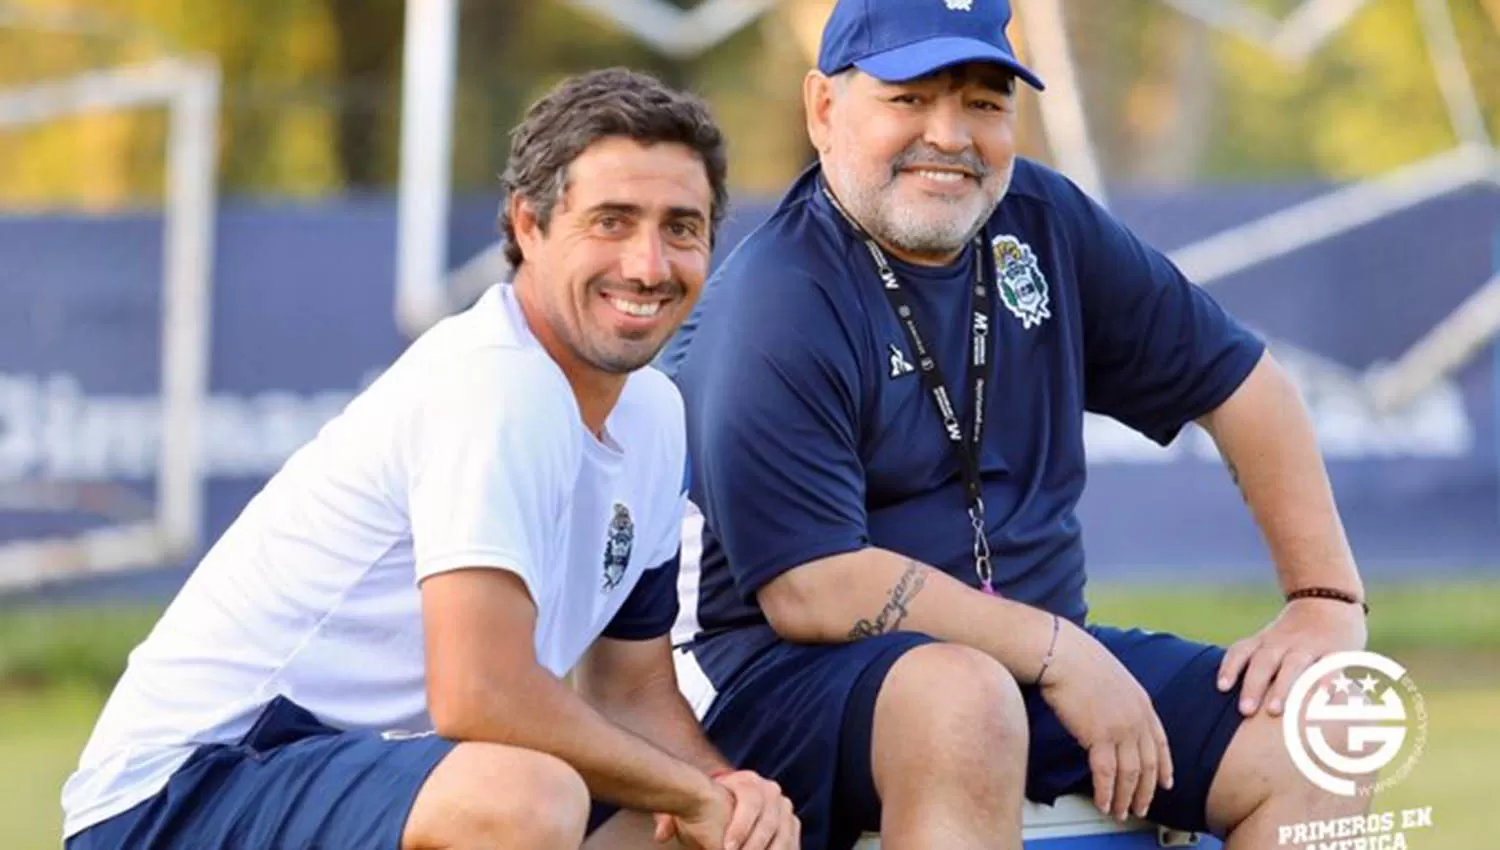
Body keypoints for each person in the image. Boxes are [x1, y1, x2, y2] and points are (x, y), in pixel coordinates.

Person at [660, 2, 1371, 848]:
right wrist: (1060, 653)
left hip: (1021, 659)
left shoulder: (1041, 219)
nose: (951, 136)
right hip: (779, 676)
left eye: (985, 104)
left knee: (1328, 735)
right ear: (823, 108)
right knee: (965, 701)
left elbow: (1246, 385)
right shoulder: (778, 298)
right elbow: (812, 588)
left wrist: (1325, 601)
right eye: (909, 99)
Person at [62, 67, 798, 850]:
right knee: (526, 795)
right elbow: (479, 695)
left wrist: (727, 797)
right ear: (527, 225)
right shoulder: (496, 380)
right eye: (612, 222)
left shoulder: (655, 413)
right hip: (178, 796)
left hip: (365, 781)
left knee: (681, 828)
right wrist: (693, 794)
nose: (649, 265)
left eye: (680, 227)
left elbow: (633, 689)